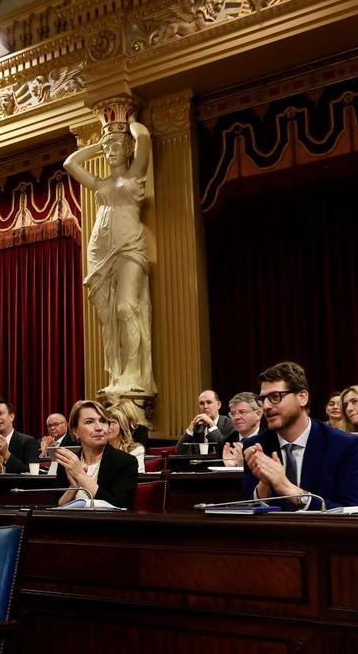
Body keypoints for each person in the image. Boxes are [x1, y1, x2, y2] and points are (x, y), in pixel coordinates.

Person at [64, 117, 157, 396]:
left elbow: (143, 139)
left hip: (129, 246)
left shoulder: (134, 174)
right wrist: (99, 143)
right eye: (108, 147)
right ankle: (117, 374)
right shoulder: (100, 182)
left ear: (127, 148)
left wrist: (126, 124)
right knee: (108, 316)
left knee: (125, 308)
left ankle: (133, 376)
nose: (110, 150)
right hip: (100, 249)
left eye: (116, 146)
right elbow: (70, 164)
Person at [242, 361, 358, 510]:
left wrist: (292, 492)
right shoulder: (257, 447)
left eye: (275, 396)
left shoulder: (343, 445)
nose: (266, 406)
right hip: (273, 533)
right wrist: (264, 488)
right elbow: (244, 511)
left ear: (302, 397)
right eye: (262, 399)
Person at [53, 400, 138, 508]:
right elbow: (56, 508)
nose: (99, 427)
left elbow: (120, 506)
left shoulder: (125, 462)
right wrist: (73, 488)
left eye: (103, 421)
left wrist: (80, 475)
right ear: (75, 431)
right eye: (89, 422)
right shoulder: (69, 461)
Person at [0, 397, 41, 473]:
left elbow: (32, 472)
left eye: (0, 413)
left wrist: (7, 455)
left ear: (11, 417)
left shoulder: (28, 442)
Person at [176, 389, 236, 454]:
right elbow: (179, 451)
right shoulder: (198, 426)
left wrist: (211, 425)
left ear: (219, 405)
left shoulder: (230, 424)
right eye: (201, 403)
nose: (205, 406)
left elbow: (225, 449)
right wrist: (190, 429)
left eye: (209, 402)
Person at [221, 392, 263, 466]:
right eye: (233, 413)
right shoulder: (225, 443)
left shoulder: (272, 440)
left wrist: (244, 466)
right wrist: (232, 469)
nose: (236, 417)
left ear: (258, 414)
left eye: (242, 412)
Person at [106, 404, 145, 469]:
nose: (108, 426)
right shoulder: (97, 449)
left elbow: (138, 477)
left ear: (122, 426)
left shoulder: (136, 450)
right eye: (105, 422)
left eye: (113, 422)